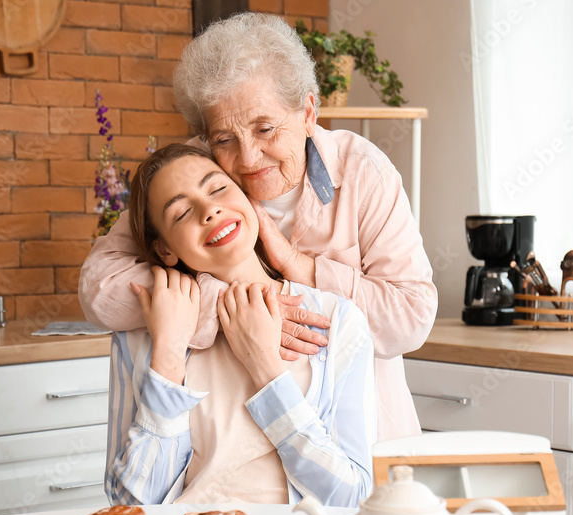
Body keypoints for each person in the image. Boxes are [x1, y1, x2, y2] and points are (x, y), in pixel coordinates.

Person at [80, 12, 437, 441]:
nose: (247, 159)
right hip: (244, 449)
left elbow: (411, 319)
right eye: (225, 139)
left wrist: (298, 269)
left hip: (368, 444)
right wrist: (229, 304)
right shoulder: (197, 169)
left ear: (307, 111)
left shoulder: (364, 172)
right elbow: (100, 289)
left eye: (265, 128)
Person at [106, 143, 376, 506]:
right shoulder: (147, 330)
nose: (210, 209)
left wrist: (265, 367)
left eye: (218, 189)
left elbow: (352, 497)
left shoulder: (336, 320)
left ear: (248, 199)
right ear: (165, 251)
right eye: (183, 212)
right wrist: (168, 355)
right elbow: (128, 506)